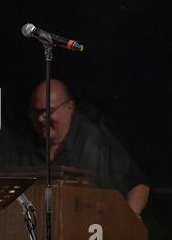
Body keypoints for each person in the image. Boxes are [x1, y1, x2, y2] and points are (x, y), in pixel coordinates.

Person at [21, 79, 150, 218]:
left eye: (48, 111)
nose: (41, 119)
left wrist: (130, 217)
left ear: (69, 108)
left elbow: (137, 184)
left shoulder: (96, 140)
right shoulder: (24, 150)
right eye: (36, 112)